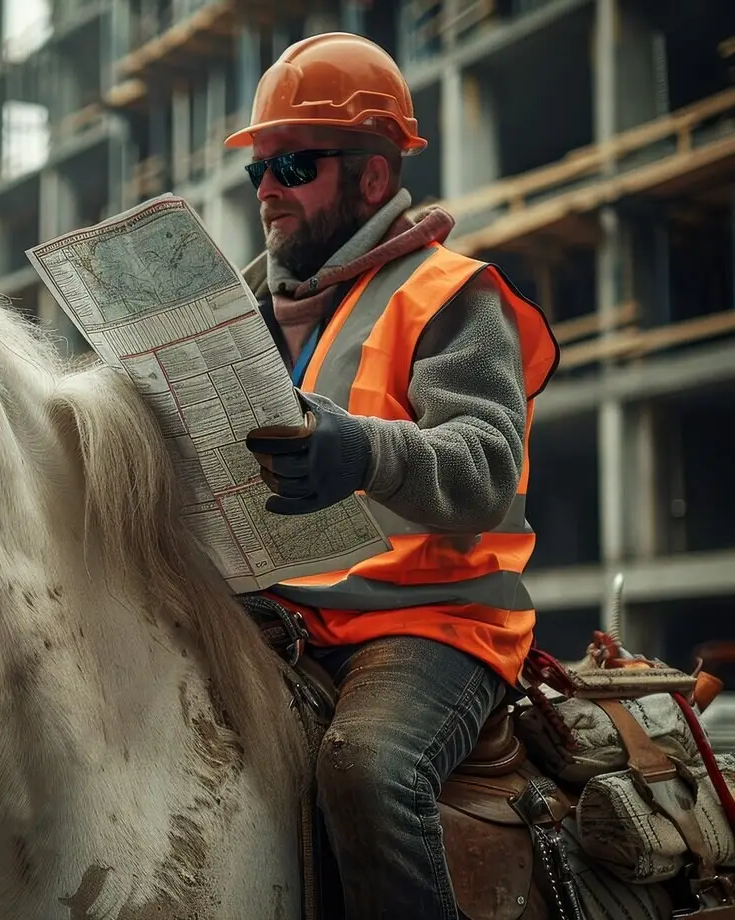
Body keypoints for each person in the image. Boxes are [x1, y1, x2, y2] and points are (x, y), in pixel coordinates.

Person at [224, 32, 560, 919]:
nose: (267, 189)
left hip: (431, 620)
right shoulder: (241, 318)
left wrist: (364, 453)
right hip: (283, 610)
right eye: (258, 169)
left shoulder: (452, 295)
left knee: (367, 772)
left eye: (294, 164)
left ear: (373, 178)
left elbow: (486, 469)